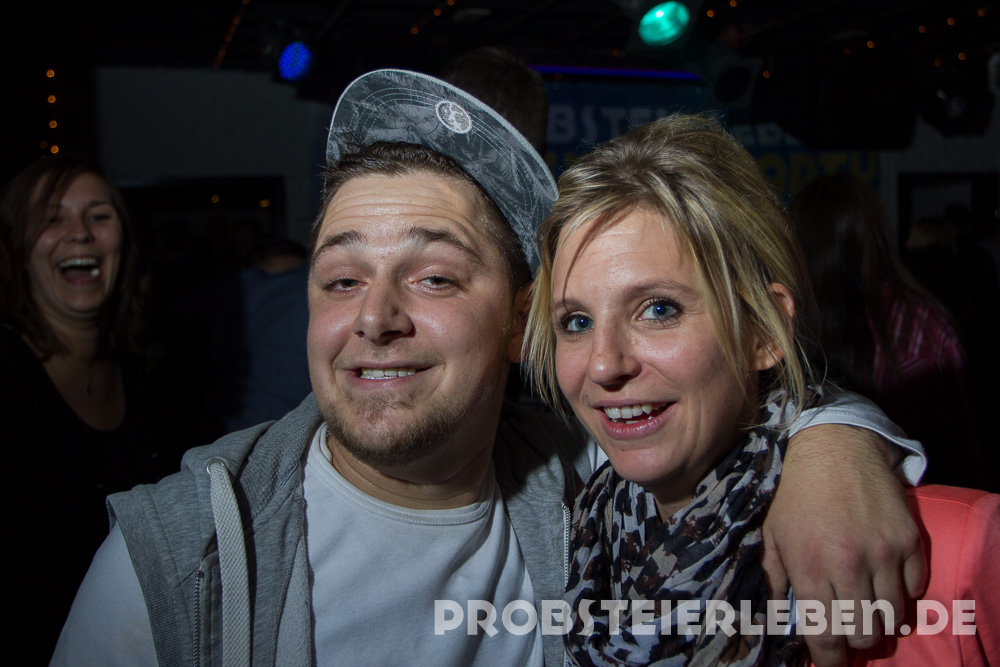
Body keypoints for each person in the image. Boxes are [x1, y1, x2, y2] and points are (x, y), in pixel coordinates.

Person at [54, 71, 924, 667]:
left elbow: (735, 405)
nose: (374, 317)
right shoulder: (182, 560)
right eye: (342, 279)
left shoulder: (581, 481)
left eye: (434, 277)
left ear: (518, 321)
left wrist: (832, 442)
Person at [524, 115, 998, 665]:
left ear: (763, 332)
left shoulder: (952, 555)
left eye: (658, 309)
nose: (604, 364)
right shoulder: (574, 540)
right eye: (576, 322)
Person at [0, 154, 161, 657]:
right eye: (52, 219)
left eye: (99, 216)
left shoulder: (145, 376)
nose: (80, 234)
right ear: (18, 247)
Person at [790, 174, 985, 490]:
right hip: (918, 501)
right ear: (876, 237)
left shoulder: (777, 328)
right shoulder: (924, 324)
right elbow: (964, 450)